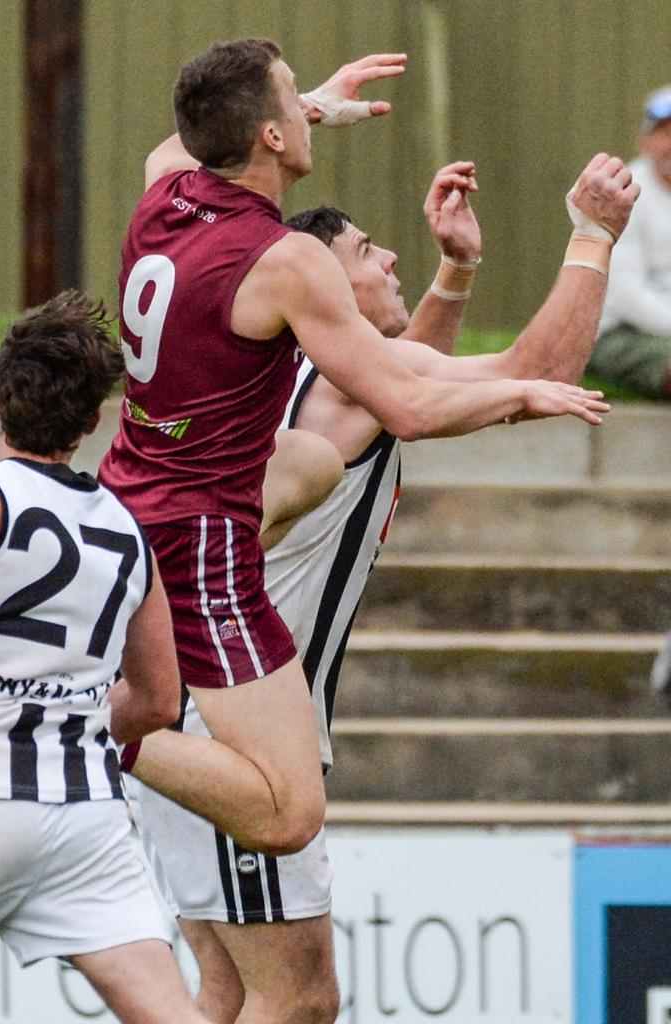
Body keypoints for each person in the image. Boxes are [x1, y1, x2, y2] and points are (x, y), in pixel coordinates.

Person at [125, 151, 639, 1024]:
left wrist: (457, 271)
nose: (388, 257)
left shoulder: (291, 381)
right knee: (298, 1002)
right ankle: (90, 726)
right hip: (234, 737)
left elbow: (400, 378)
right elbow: (538, 368)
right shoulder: (331, 394)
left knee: (225, 995)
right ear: (322, 287)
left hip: (201, 722)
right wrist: (593, 238)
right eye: (367, 252)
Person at [99, 37, 617, 861]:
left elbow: (181, 145)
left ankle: (77, 727)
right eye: (293, 96)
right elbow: (409, 403)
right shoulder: (287, 261)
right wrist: (525, 382)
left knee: (268, 981)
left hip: (127, 503)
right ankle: (67, 731)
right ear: (269, 136)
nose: (383, 259)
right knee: (284, 820)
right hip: (198, 545)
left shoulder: (164, 196)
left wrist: (309, 106)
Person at [0, 292, 211, 1024]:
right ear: (91, 420)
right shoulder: (126, 530)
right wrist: (63, 714)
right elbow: (162, 701)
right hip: (88, 817)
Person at [586, 85, 671, 396]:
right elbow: (627, 297)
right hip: (620, 331)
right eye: (664, 132)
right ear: (644, 141)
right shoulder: (623, 193)